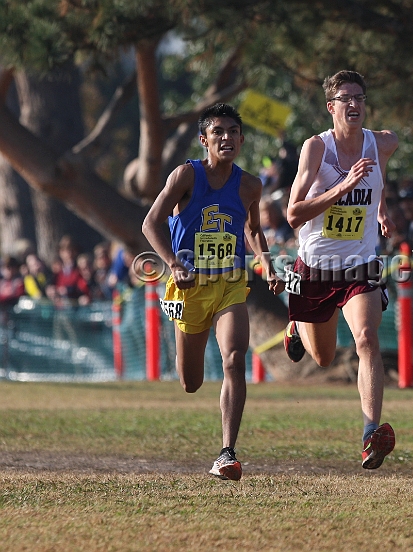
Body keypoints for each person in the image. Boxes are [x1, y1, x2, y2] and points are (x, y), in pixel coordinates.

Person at [142, 103, 284, 481]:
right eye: (218, 132)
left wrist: (266, 263)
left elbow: (253, 230)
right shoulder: (186, 176)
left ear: (241, 139)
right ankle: (190, 368)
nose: (226, 138)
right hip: (188, 285)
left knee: (234, 359)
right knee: (191, 382)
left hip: (230, 283)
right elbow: (150, 224)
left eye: (233, 132)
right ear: (204, 140)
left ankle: (227, 453)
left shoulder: (251, 184)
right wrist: (173, 264)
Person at [283, 70, 398, 470]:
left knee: (366, 339)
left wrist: (380, 207)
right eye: (345, 98)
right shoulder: (316, 149)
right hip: (316, 267)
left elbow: (381, 176)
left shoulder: (382, 142)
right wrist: (342, 188)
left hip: (360, 265)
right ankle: (295, 326)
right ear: (331, 107)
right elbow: (293, 215)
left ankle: (370, 433)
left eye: (360, 98)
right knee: (325, 357)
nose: (354, 104)